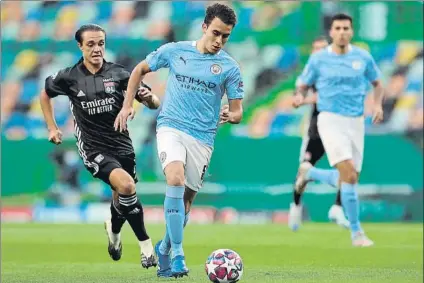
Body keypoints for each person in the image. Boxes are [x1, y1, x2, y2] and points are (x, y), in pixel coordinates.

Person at [115, 3, 244, 278]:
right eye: (217, 33)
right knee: (174, 178)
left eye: (226, 36)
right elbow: (138, 70)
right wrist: (128, 106)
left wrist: (232, 115)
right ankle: (178, 255)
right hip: (170, 127)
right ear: (205, 27)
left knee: (184, 205)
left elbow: (238, 110)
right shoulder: (175, 51)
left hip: (203, 138)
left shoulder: (230, 68)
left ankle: (164, 246)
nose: (220, 41)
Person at [39, 24, 160, 267]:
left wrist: (148, 98)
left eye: (101, 43)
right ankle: (146, 247)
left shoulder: (119, 73)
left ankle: (114, 232)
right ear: (80, 46)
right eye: (91, 44)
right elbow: (45, 94)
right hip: (94, 148)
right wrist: (52, 127)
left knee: (121, 197)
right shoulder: (68, 76)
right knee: (127, 186)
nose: (97, 49)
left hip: (123, 146)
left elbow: (154, 103)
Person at [293, 13, 384, 247]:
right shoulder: (319, 59)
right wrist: (299, 96)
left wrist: (377, 105)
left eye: (346, 28)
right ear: (331, 32)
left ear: (351, 32)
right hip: (330, 119)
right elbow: (302, 83)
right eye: (338, 28)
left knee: (352, 177)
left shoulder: (362, 57)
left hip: (356, 122)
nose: (342, 32)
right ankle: (357, 233)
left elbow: (377, 82)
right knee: (349, 174)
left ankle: (309, 173)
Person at [289, 36, 350, 231]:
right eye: (317, 48)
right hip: (316, 131)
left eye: (324, 48)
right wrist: (303, 97)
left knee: (347, 167)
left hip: (337, 128)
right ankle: (296, 206)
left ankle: (338, 208)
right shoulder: (309, 74)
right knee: (303, 170)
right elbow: (297, 95)